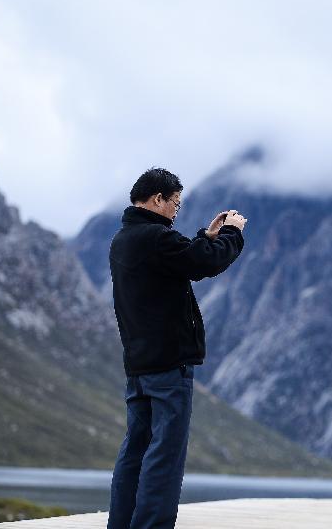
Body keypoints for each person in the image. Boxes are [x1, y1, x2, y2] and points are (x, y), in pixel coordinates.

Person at [107, 168, 246, 529]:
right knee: (164, 455)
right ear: (157, 199)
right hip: (168, 367)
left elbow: (180, 259)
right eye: (175, 205)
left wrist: (205, 235)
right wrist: (231, 233)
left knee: (135, 451)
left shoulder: (123, 239)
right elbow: (205, 262)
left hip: (138, 366)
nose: (175, 213)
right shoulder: (156, 238)